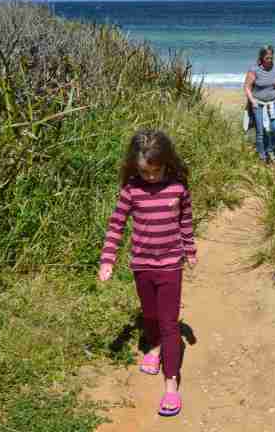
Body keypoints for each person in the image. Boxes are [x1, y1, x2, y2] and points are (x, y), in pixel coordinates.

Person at [97, 129, 198, 418]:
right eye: (145, 172)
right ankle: (152, 347)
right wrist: (108, 260)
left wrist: (190, 251)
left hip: (170, 266)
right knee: (150, 314)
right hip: (142, 266)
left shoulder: (178, 189)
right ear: (135, 166)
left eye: (156, 171)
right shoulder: (131, 190)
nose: (151, 177)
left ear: (167, 162)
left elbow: (186, 222)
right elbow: (116, 226)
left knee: (168, 323)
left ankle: (171, 384)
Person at [243, 45, 275, 163]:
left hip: (273, 103)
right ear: (261, 58)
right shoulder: (254, 69)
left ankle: (270, 148)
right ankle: (263, 157)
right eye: (267, 58)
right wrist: (252, 101)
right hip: (258, 104)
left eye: (271, 58)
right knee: (261, 131)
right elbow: (247, 87)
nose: (270, 60)